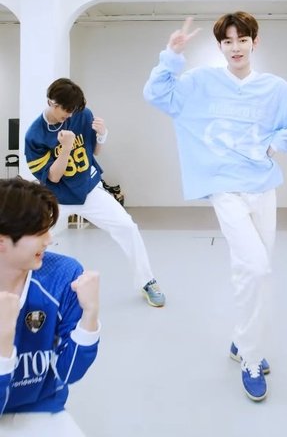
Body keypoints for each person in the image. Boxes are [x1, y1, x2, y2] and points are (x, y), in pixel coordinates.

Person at [143, 12, 287, 401]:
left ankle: (243, 338)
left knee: (252, 270)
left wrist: (276, 144)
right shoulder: (202, 82)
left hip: (263, 188)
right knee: (256, 268)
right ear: (220, 46)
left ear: (255, 42)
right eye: (227, 41)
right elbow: (157, 95)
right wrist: (171, 56)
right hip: (224, 188)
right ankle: (251, 358)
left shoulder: (273, 88)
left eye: (242, 40)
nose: (235, 48)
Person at [25, 78, 165, 307]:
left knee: (127, 227)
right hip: (58, 199)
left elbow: (95, 151)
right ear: (51, 102)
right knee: (31, 238)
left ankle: (146, 281)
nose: (70, 115)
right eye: (66, 110)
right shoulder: (34, 135)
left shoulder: (82, 114)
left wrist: (102, 135)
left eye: (73, 110)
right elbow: (54, 177)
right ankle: (21, 285)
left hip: (89, 190)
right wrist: (66, 148)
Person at [0, 178, 100, 437]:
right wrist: (3, 342)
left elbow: (69, 373)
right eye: (39, 232)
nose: (49, 240)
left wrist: (90, 317)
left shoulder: (64, 274)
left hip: (41, 408)